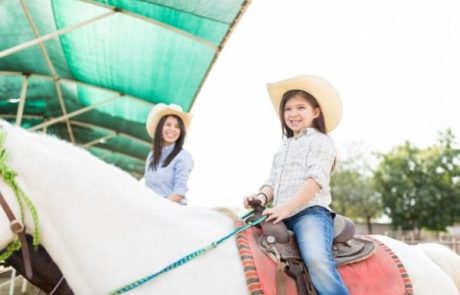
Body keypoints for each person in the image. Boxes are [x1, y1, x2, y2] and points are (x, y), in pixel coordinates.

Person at [243, 75, 350, 295]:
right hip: (279, 212)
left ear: (316, 112)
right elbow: (271, 182)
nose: (293, 114)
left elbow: (315, 181)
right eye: (288, 109)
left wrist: (286, 208)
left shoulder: (321, 141)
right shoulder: (283, 148)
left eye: (301, 108)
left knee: (316, 260)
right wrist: (261, 198)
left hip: (309, 213)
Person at [144, 103, 194, 205]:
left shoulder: (183, 156)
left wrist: (160, 206)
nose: (172, 129)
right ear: (160, 128)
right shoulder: (151, 156)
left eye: (177, 127)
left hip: (172, 210)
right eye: (168, 124)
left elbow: (179, 191)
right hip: (151, 208)